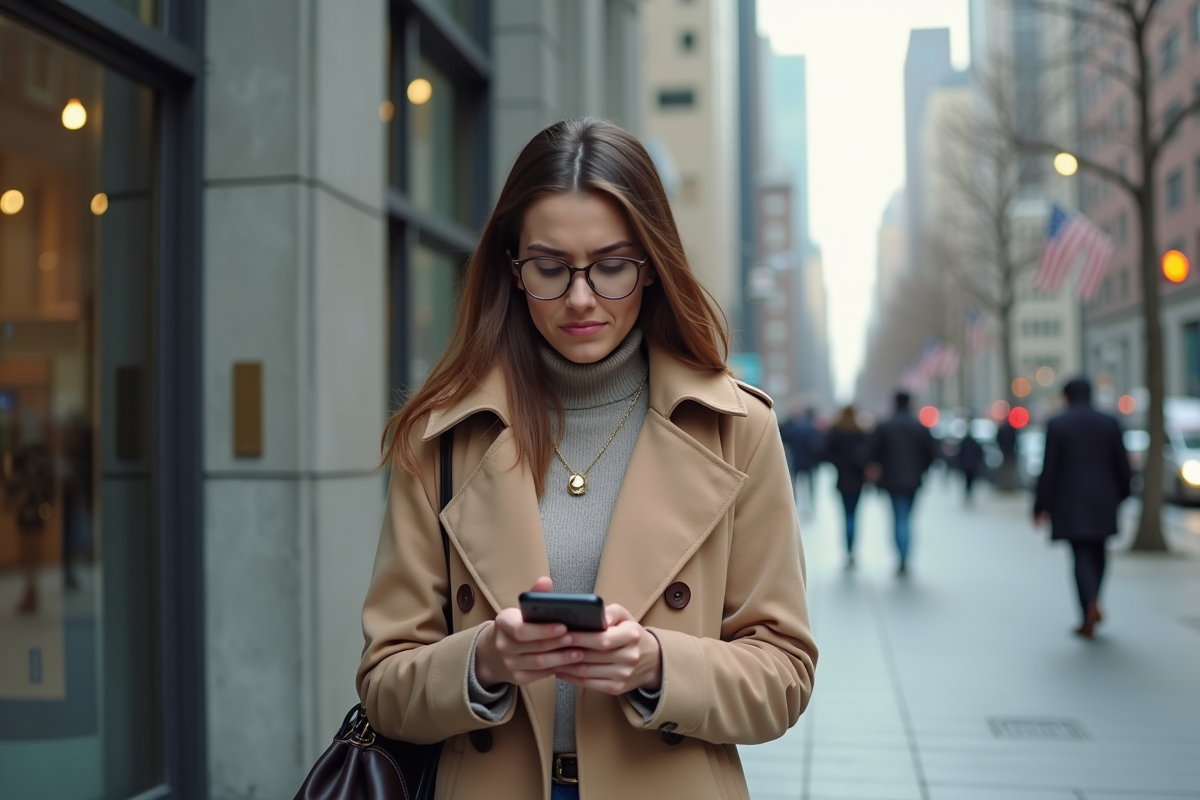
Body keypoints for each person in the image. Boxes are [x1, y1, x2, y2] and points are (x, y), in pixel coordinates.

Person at [356, 118, 817, 800]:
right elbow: (384, 685)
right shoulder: (442, 436)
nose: (579, 298)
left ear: (653, 266)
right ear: (512, 269)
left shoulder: (737, 428)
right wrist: (484, 660)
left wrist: (657, 663)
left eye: (611, 267)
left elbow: (783, 677)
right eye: (549, 268)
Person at [1033, 377, 1131, 639]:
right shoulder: (1110, 423)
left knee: (1080, 554)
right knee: (1099, 552)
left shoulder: (1058, 424)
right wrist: (1122, 494)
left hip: (1070, 501)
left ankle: (1088, 604)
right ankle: (1094, 600)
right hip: (1104, 499)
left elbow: (1049, 469)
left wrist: (1040, 506)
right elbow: (1123, 465)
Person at [867, 390, 938, 575]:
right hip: (913, 480)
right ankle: (905, 556)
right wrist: (922, 469)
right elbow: (932, 454)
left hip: (891, 480)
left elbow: (873, 453)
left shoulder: (884, 425)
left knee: (898, 517)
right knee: (907, 518)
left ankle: (901, 557)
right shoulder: (919, 426)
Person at [824, 405, 868, 569]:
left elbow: (826, 451)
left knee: (846, 515)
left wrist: (838, 463)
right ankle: (852, 550)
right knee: (854, 515)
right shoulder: (860, 432)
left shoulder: (836, 431)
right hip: (857, 480)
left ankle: (848, 550)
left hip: (842, 479)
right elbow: (868, 453)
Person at [780, 406, 823, 516]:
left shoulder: (793, 428)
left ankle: (796, 503)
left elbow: (784, 437)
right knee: (809, 484)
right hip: (808, 462)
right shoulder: (810, 428)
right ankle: (809, 504)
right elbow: (816, 446)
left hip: (796, 460)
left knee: (795, 484)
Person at [957, 424, 985, 505]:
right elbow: (980, 454)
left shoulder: (964, 442)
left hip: (966, 465)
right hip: (972, 465)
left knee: (967, 481)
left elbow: (959, 454)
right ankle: (969, 493)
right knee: (970, 481)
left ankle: (967, 493)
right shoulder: (975, 443)